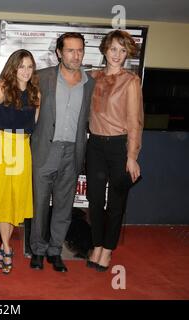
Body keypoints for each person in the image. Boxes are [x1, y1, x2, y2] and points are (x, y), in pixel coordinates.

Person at [29, 32, 95, 272]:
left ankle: (55, 251)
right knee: (38, 205)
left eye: (80, 50)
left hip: (73, 151)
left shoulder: (90, 83)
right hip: (45, 149)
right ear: (59, 52)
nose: (76, 55)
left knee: (64, 206)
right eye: (70, 50)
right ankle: (37, 250)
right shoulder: (41, 78)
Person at [86, 30, 144, 272]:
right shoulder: (93, 77)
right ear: (105, 50)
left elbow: (135, 121)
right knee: (95, 200)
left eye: (123, 50)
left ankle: (108, 250)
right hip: (95, 146)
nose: (118, 54)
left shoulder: (131, 81)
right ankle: (97, 244)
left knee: (116, 202)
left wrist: (132, 156)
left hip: (119, 147)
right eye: (113, 49)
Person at [0, 49, 40, 274]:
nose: (25, 71)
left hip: (23, 149)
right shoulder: (2, 89)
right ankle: (6, 247)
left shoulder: (36, 94)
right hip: (3, 146)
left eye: (29, 66)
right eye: (21, 66)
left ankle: (4, 247)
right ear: (13, 67)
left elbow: (34, 124)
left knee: (15, 199)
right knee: (3, 198)